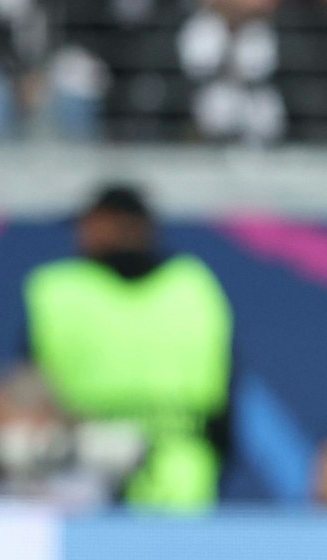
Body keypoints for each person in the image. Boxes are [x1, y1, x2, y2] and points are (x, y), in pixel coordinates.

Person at [23, 183, 233, 511]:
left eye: (93, 224)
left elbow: (223, 396)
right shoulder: (193, 286)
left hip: (174, 473)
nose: (82, 235)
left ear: (126, 225)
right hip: (82, 470)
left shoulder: (191, 287)